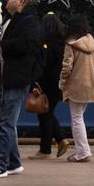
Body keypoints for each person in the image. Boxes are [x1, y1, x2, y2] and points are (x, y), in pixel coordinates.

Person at [0, 0, 43, 179]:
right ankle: (13, 162)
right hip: (10, 76)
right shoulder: (13, 19)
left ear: (21, 2)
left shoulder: (29, 22)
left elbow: (25, 45)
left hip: (16, 77)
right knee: (6, 122)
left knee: (3, 122)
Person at [59, 15, 94, 163]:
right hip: (89, 84)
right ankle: (83, 150)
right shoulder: (92, 42)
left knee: (76, 119)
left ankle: (82, 152)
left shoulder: (71, 43)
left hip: (75, 85)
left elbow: (66, 66)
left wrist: (62, 83)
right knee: (79, 117)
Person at [32, 13, 70, 159]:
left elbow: (43, 65)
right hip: (58, 83)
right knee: (48, 112)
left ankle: (45, 149)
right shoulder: (63, 42)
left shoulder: (45, 43)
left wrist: (36, 83)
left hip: (46, 83)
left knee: (44, 115)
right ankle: (60, 139)